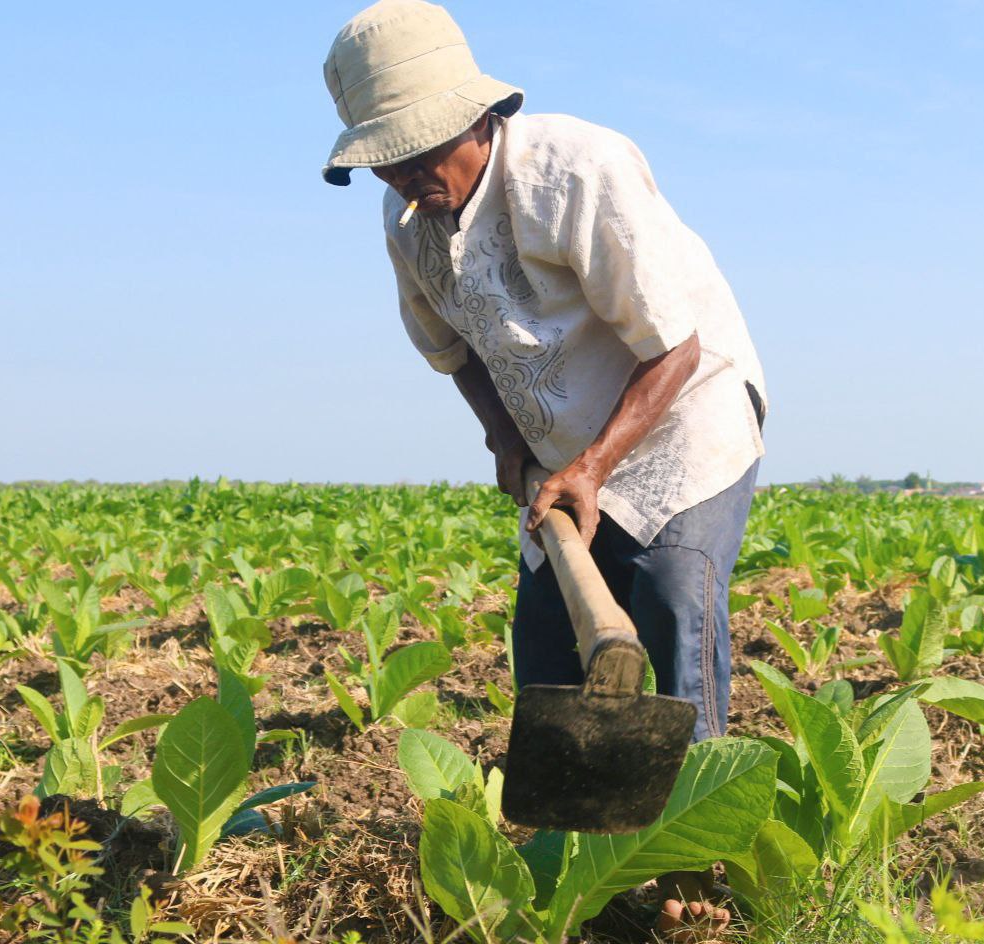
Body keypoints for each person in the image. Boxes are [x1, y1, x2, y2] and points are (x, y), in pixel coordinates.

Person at [321, 1, 767, 937]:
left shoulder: (577, 171)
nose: (402, 177)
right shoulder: (410, 221)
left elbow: (674, 348)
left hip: (683, 415)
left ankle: (691, 861)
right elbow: (458, 354)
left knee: (672, 597)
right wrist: (509, 444)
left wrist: (597, 465)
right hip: (566, 452)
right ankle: (580, 866)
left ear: (473, 119)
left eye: (414, 152)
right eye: (384, 160)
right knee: (551, 640)